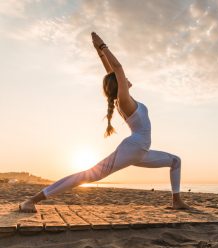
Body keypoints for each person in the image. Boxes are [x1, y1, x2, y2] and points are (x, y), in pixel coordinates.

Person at [19, 32, 190, 213]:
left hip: (142, 152)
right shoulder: (123, 100)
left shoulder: (125, 98)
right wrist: (103, 46)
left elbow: (111, 71)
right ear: (120, 83)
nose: (126, 78)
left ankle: (176, 201)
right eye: (122, 78)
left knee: (175, 161)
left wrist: (99, 53)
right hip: (132, 148)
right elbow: (117, 67)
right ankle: (32, 200)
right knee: (87, 175)